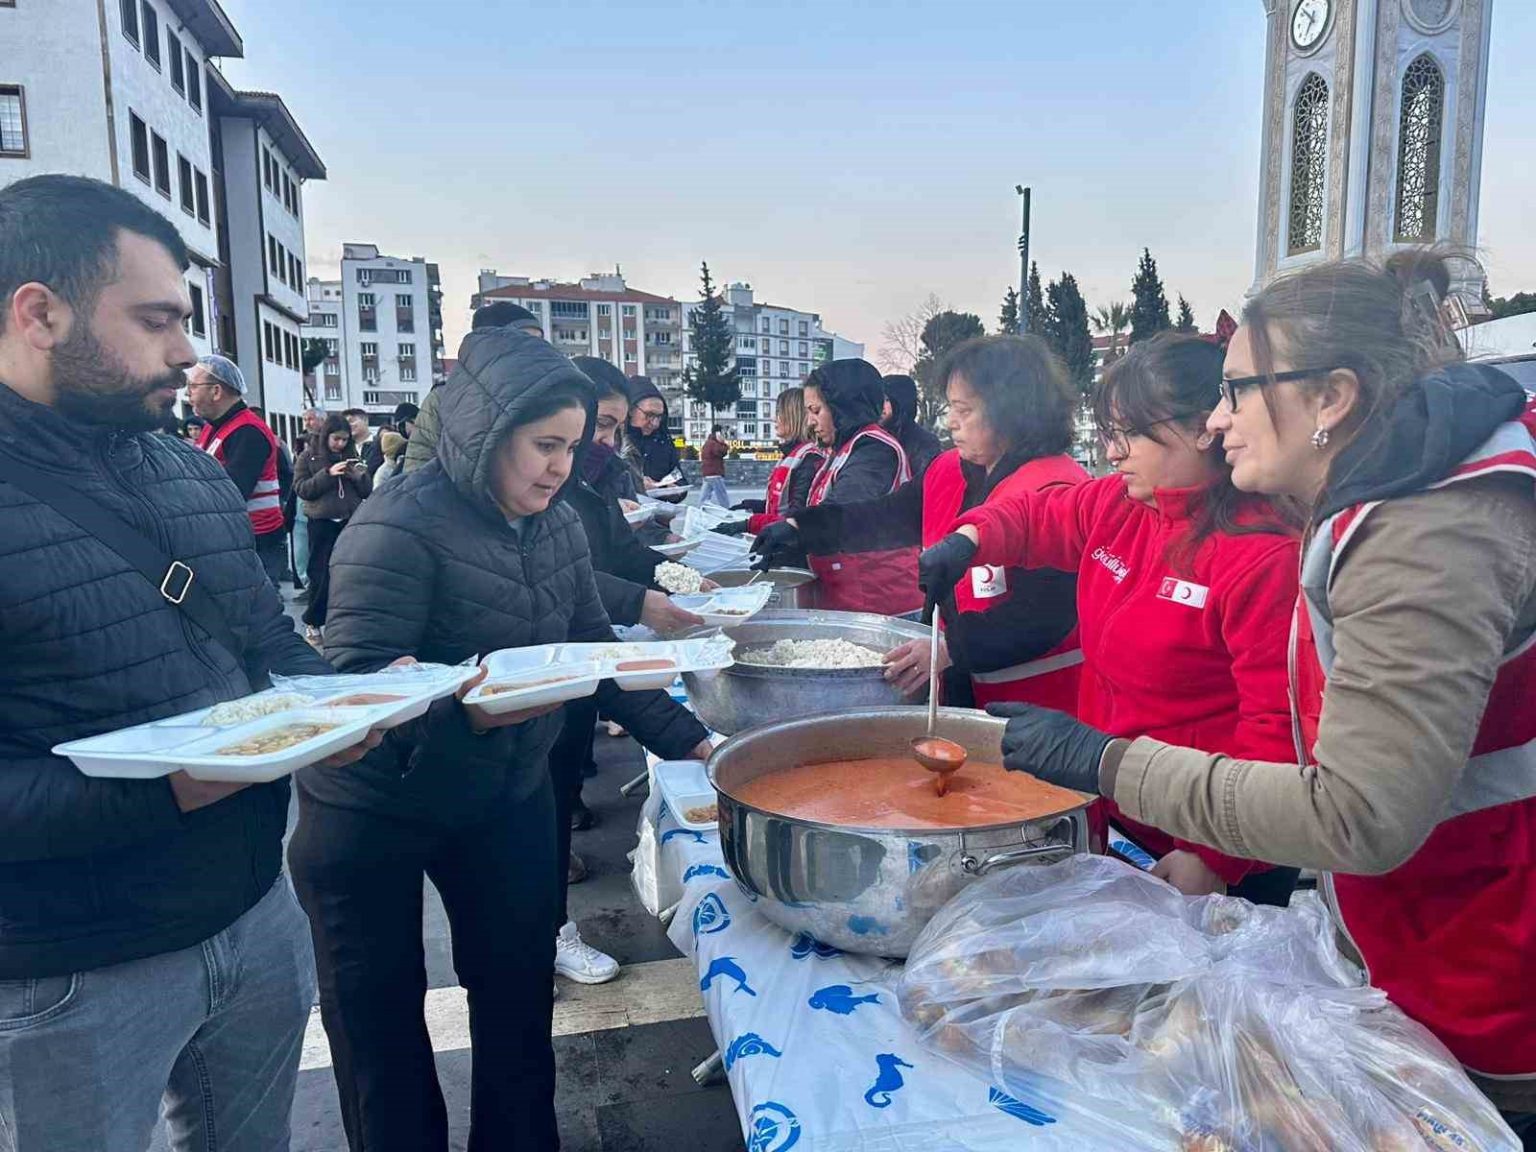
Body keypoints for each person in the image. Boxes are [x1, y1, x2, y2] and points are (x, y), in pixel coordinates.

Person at [965, 253, 1535, 1127]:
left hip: (1485, 954)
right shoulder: (1379, 495)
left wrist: (1108, 762)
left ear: (1331, 398)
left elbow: (1357, 814)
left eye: (1236, 391)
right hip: (1416, 925)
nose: (1219, 418)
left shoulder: (1426, 536)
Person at [0, 173, 383, 1152]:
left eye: (186, 320)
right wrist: (176, 786)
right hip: (72, 971)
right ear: (38, 315)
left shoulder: (187, 469)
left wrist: (351, 703)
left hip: (256, 912)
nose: (186, 353)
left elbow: (264, 641)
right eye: (156, 320)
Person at [289, 326, 711, 1152]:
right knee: (378, 1021)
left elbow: (596, 653)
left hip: (503, 788)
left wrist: (700, 745)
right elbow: (356, 689)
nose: (560, 467)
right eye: (544, 446)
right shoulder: (396, 525)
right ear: (487, 433)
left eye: (571, 447)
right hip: (373, 806)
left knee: (516, 995)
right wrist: (462, 710)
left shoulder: (556, 525)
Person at [922, 333, 1302, 902]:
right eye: (1107, 435)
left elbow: (1277, 731)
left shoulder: (1264, 555)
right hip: (1120, 802)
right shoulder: (1120, 504)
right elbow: (1038, 516)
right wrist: (971, 539)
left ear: (1204, 429)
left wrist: (1214, 854)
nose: (1113, 453)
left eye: (1128, 434)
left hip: (1216, 841)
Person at [753, 336, 1085, 712]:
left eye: (964, 410)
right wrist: (802, 528)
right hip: (962, 684)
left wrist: (948, 647)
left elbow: (1046, 615)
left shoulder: (1059, 489)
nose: (950, 422)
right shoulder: (951, 469)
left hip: (1041, 700)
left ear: (1012, 411)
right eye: (950, 407)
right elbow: (886, 516)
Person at [548, 355, 708, 983]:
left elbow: (621, 557)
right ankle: (545, 930)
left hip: (575, 675)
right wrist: (640, 601)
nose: (609, 441)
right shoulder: (539, 495)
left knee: (557, 792)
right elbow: (570, 587)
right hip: (521, 697)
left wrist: (678, 579)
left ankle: (547, 921)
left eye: (615, 428)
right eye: (603, 426)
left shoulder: (588, 487)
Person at [757, 358, 920, 614]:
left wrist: (795, 528)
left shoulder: (875, 448)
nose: (810, 422)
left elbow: (844, 509)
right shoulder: (840, 450)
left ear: (843, 407)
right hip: (850, 595)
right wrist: (793, 547)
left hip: (882, 601)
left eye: (816, 411)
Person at [184, 353, 288, 591]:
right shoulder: (214, 428)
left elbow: (232, 491)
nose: (188, 395)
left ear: (216, 391)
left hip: (254, 540)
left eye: (193, 386)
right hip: (232, 536)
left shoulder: (247, 431)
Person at [293, 412, 371, 642]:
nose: (340, 444)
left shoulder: (352, 456)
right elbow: (302, 489)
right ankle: (313, 621)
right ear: (326, 436)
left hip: (348, 521)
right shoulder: (308, 457)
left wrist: (357, 476)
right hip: (321, 523)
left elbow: (366, 491)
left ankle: (345, 623)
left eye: (345, 439)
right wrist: (327, 474)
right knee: (320, 574)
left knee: (348, 574)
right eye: (336, 439)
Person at [620, 375, 682, 493]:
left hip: (661, 503)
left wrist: (673, 491)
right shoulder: (613, 441)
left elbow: (680, 478)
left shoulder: (663, 441)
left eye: (659, 417)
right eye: (649, 415)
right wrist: (637, 484)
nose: (655, 423)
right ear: (630, 410)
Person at [291, 406, 328, 592]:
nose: (307, 423)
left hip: (320, 507)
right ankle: (308, 585)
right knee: (301, 551)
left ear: (323, 420)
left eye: (311, 419)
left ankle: (316, 587)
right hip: (301, 505)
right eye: (305, 419)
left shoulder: (330, 444)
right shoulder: (301, 443)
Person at [882, 372, 943, 481]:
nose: (880, 405)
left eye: (886, 400)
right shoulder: (875, 436)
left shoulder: (924, 442)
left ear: (900, 401)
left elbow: (923, 482)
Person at [700, 425, 730, 506]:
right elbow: (721, 452)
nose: (723, 435)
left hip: (707, 473)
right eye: (722, 432)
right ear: (718, 433)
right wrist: (723, 443)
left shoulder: (708, 442)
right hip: (715, 473)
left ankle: (701, 509)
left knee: (704, 496)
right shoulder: (714, 443)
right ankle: (726, 510)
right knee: (722, 496)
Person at [343, 407, 379, 475]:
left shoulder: (379, 444)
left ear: (365, 421)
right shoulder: (345, 447)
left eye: (351, 421)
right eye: (346, 423)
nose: (349, 425)